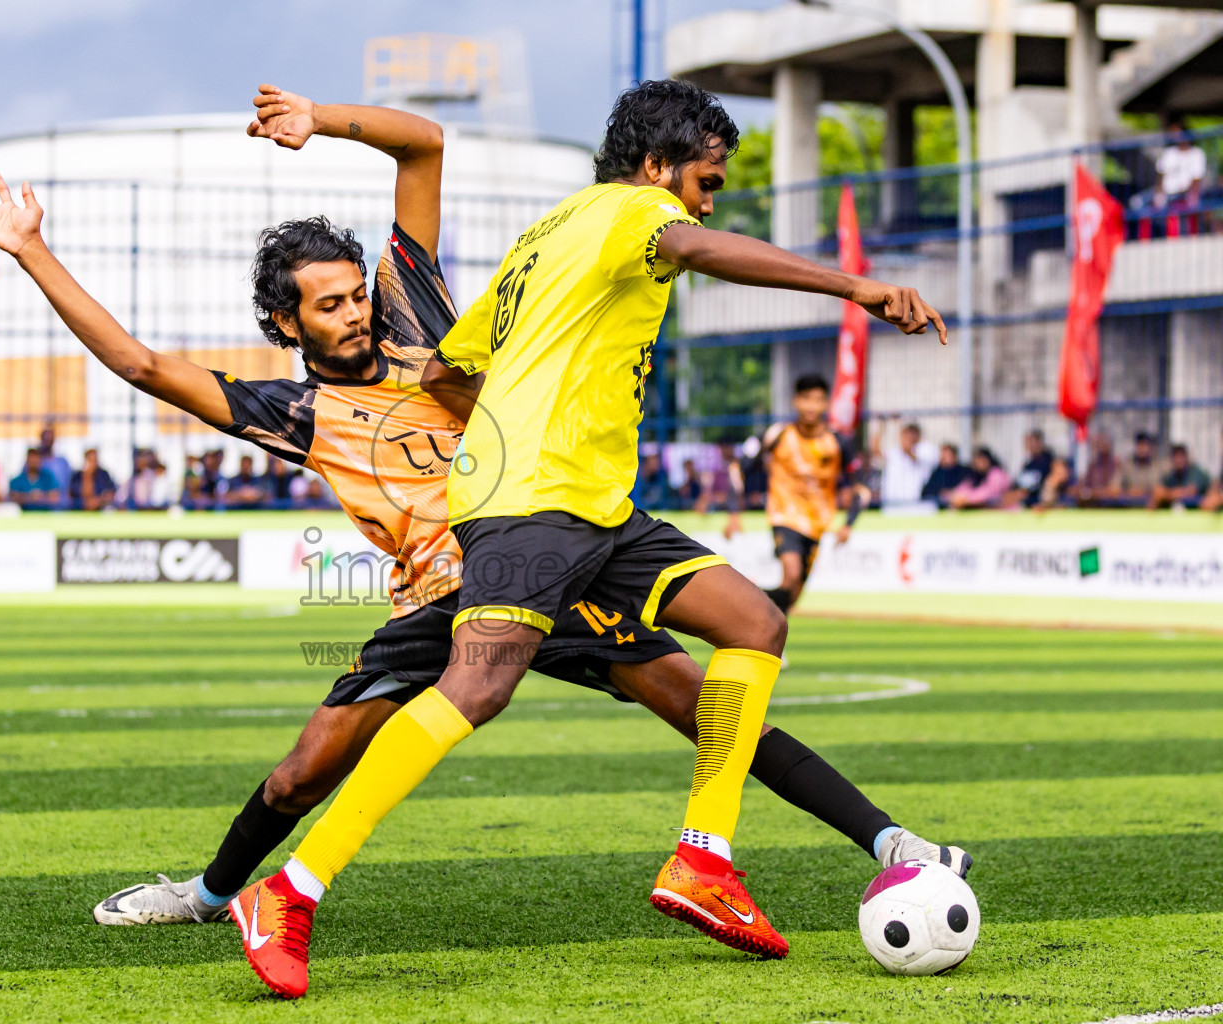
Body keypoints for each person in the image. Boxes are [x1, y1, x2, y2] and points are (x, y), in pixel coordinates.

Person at [0, 83, 963, 999]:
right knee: (306, 770)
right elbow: (137, 362)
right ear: (286, 322)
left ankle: (883, 841)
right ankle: (216, 892)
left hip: (551, 547)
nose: (355, 310)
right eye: (331, 303)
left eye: (356, 289)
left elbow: (424, 147)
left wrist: (322, 119)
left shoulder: (418, 307)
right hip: (444, 587)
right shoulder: (293, 410)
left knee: (710, 698)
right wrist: (34, 249)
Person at [241, 77, 946, 994]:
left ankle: (704, 858)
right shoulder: (632, 215)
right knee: (478, 686)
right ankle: (288, 892)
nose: (703, 197)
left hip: (591, 502)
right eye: (705, 177)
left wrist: (517, 419)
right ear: (657, 166)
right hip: (539, 497)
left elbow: (451, 368)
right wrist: (855, 285)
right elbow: (692, 244)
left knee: (753, 622)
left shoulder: (551, 233)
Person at [725, 375, 869, 614]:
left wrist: (849, 524)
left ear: (826, 404)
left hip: (817, 525)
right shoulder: (777, 435)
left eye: (817, 400)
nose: (811, 406)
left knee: (791, 598)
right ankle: (739, 600)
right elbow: (736, 470)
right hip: (785, 517)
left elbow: (861, 489)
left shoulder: (838, 442)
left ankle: (757, 623)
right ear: (795, 402)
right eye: (805, 399)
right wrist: (733, 513)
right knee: (790, 575)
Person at [870, 419, 937, 509]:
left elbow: (911, 453)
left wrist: (898, 423)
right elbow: (875, 451)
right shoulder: (895, 452)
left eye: (910, 434)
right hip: (891, 507)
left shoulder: (926, 449)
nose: (906, 437)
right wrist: (881, 426)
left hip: (914, 507)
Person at [1156, 122, 1206, 235]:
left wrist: (1192, 195)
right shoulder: (1168, 154)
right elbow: (1160, 176)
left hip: (1185, 194)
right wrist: (1159, 195)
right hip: (1169, 195)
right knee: (1138, 203)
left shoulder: (1197, 153)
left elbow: (1197, 178)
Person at [1149, 443, 1210, 509]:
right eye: (1176, 456)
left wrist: (1167, 495)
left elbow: (1191, 491)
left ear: (1187, 458)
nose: (1178, 460)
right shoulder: (1170, 475)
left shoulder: (1196, 472)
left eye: (1181, 456)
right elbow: (1158, 491)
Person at [1073, 431, 1124, 507]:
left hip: (1112, 507)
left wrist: (1092, 493)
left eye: (1103, 443)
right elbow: (1083, 486)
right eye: (1098, 443)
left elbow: (1114, 491)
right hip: (1094, 507)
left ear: (1109, 445)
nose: (1101, 446)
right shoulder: (1093, 466)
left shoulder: (1116, 465)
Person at [1119, 431, 1164, 504]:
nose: (1142, 449)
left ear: (1150, 447)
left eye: (1145, 445)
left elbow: (1160, 490)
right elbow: (1114, 489)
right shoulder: (1127, 466)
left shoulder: (1157, 467)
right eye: (1140, 445)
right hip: (1129, 508)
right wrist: (1127, 492)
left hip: (1150, 509)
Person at [921, 443, 969, 507]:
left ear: (954, 456)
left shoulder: (964, 471)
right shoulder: (937, 472)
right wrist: (941, 492)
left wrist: (954, 493)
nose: (944, 457)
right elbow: (926, 492)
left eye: (948, 455)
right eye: (943, 455)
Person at [37, 425, 73, 509]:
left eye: (50, 438)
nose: (48, 441)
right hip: (41, 506)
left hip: (62, 505)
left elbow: (69, 485)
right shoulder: (35, 462)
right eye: (45, 438)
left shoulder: (62, 462)